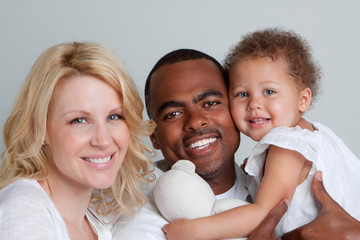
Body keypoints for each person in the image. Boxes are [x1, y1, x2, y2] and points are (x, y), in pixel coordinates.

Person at [112, 48, 360, 240]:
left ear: (231, 110)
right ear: (153, 135)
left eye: (210, 103)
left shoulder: (267, 172)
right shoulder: (140, 208)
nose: (196, 122)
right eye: (173, 114)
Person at [0, 42, 155, 239]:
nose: (104, 140)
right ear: (38, 130)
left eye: (114, 116)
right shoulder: (25, 211)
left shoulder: (94, 221)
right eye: (79, 120)